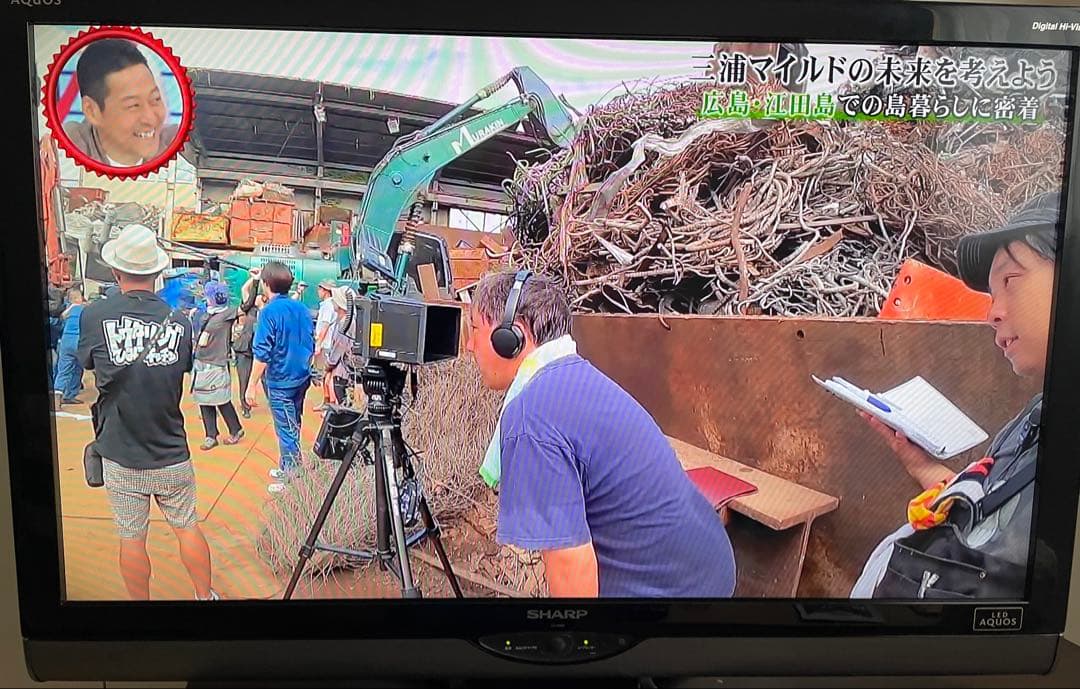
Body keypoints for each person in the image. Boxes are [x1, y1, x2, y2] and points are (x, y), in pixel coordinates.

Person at [466, 270, 737, 598]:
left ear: (512, 336)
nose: (469, 346)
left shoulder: (532, 415)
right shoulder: (575, 376)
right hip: (711, 569)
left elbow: (571, 568)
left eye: (475, 330)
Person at [851, 192, 1058, 599]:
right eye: (992, 294)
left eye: (1011, 281)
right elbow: (992, 517)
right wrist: (926, 469)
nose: (992, 312)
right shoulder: (1037, 417)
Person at [76, 224, 217, 600]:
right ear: (157, 273)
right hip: (171, 449)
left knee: (132, 538)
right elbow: (180, 370)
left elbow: (90, 365)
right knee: (187, 527)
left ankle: (142, 611)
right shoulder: (181, 321)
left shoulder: (94, 316)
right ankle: (206, 598)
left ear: (117, 271)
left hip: (120, 451)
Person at [245, 261, 315, 494]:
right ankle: (287, 466)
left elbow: (262, 352)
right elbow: (310, 341)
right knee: (293, 421)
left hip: (281, 379)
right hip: (301, 376)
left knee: (286, 428)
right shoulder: (302, 309)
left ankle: (293, 479)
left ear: (266, 284)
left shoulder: (268, 313)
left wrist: (251, 385)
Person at [62, 39, 179, 167]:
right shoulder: (66, 147)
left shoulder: (177, 143)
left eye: (156, 99)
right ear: (92, 112)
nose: (150, 118)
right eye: (134, 105)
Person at [192, 280, 255, 450]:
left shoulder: (227, 314)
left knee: (220, 399)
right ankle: (211, 435)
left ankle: (235, 429)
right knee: (204, 400)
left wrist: (253, 281)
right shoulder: (203, 314)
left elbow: (247, 305)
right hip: (201, 363)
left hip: (217, 363)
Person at [232, 270, 266, 419]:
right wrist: (254, 279)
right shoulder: (249, 309)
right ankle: (245, 406)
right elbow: (244, 290)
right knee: (244, 378)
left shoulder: (267, 311)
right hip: (245, 348)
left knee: (265, 377)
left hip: (261, 350)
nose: (257, 298)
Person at [53, 287, 86, 406]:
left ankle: (57, 397)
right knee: (78, 368)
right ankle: (70, 395)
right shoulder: (84, 309)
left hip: (65, 341)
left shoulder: (66, 311)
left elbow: (60, 323)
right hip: (79, 341)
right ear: (79, 298)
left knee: (63, 370)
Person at [325, 286, 358, 407]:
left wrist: (328, 364)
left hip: (342, 372)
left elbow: (339, 347)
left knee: (341, 405)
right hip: (345, 370)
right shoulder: (347, 321)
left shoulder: (345, 323)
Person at [312, 279, 338, 412]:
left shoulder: (328, 306)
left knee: (326, 375)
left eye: (320, 289)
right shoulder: (327, 305)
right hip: (326, 343)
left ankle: (329, 405)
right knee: (325, 375)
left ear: (326, 291)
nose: (318, 291)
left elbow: (325, 326)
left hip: (326, 344)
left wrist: (318, 344)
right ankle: (326, 403)